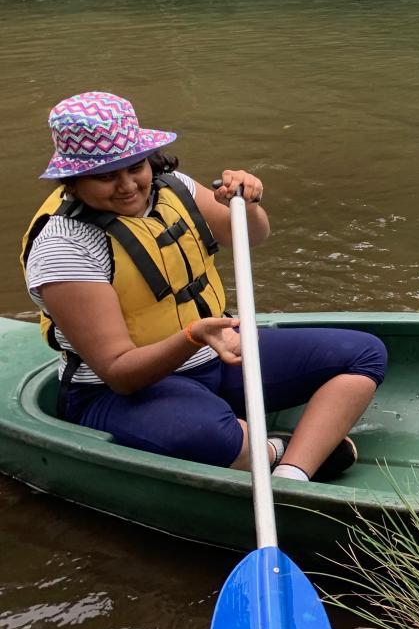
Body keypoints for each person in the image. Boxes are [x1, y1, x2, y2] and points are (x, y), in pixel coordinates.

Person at [20, 91, 387, 482]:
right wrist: (193, 337)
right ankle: (272, 448)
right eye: (106, 176)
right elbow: (119, 373)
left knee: (364, 354)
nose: (127, 185)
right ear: (73, 180)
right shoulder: (64, 247)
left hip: (214, 355)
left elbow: (253, 236)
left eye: (135, 167)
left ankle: (292, 474)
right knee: (211, 436)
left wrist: (247, 204)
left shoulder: (174, 187)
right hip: (122, 392)